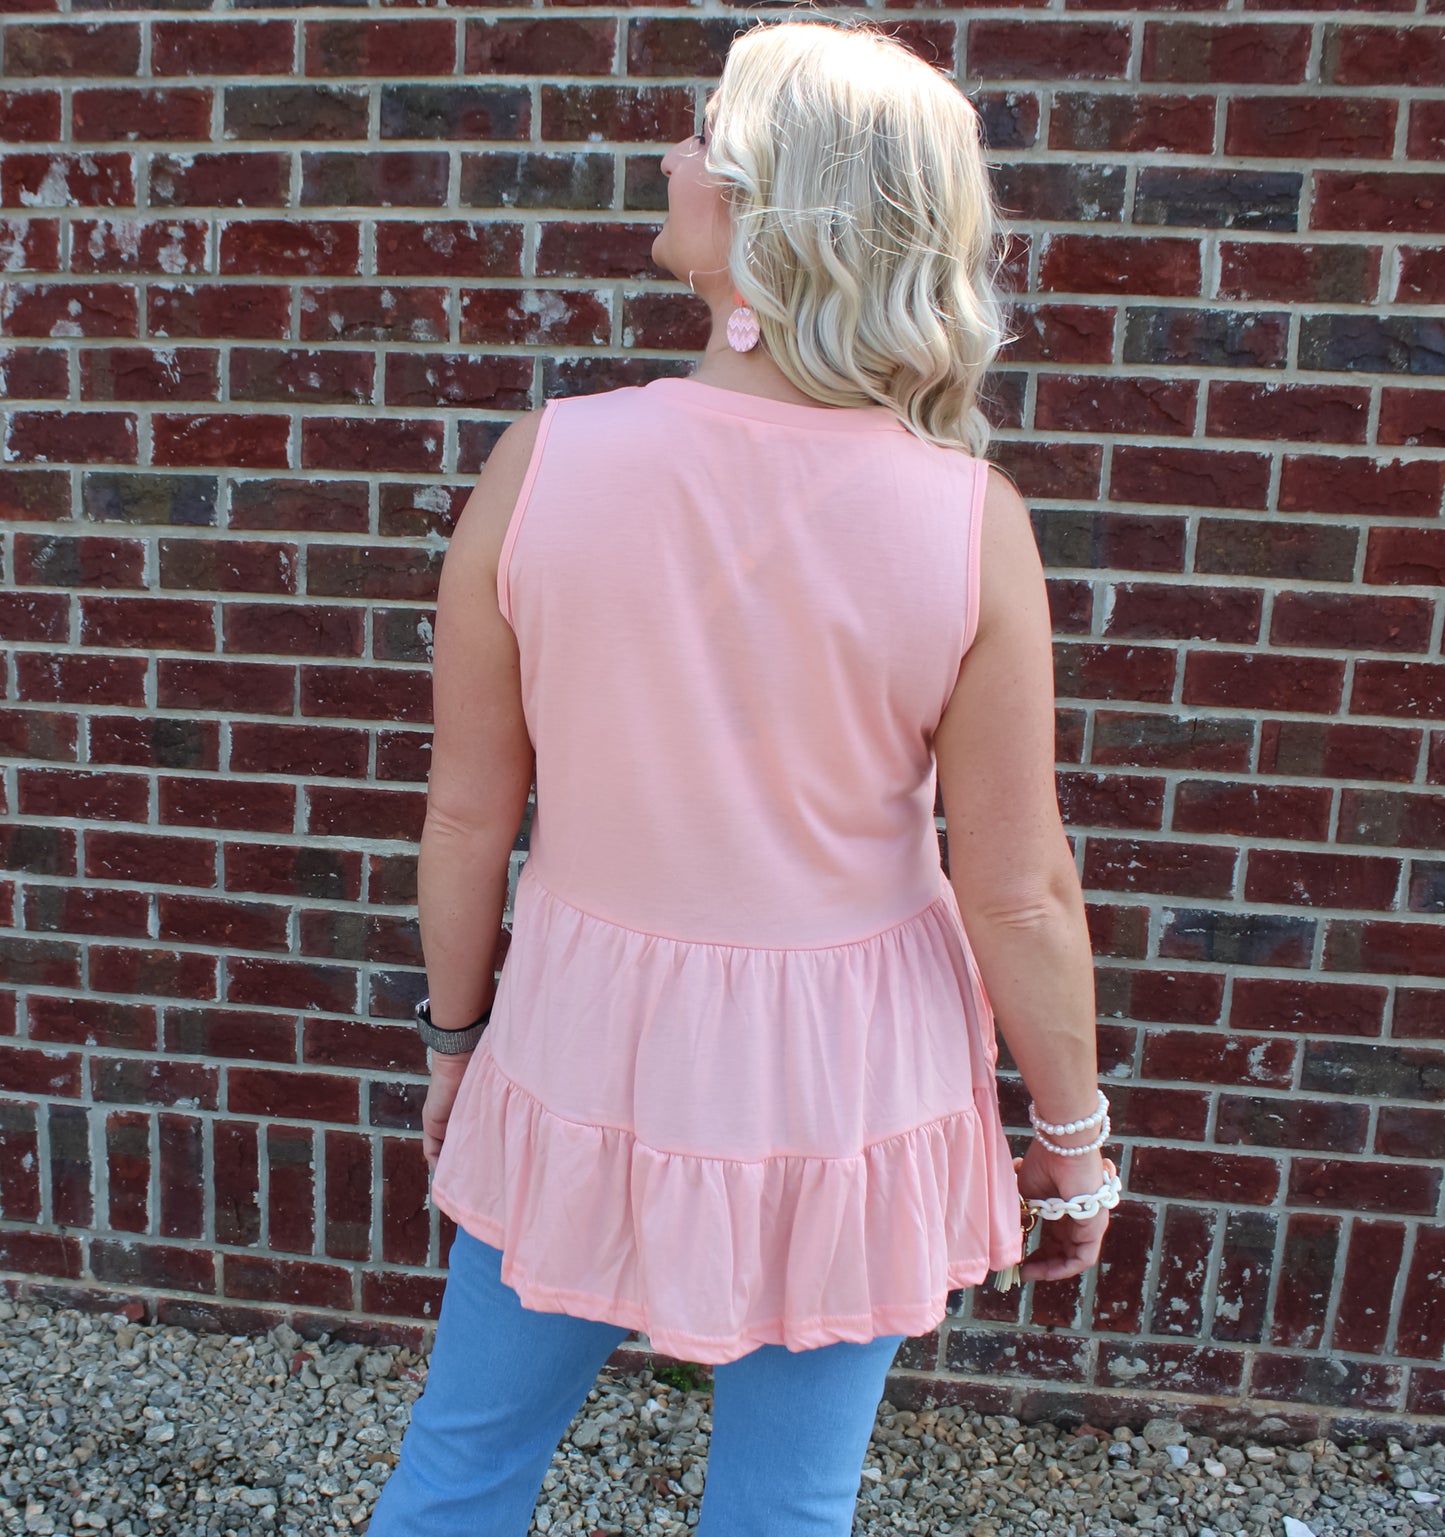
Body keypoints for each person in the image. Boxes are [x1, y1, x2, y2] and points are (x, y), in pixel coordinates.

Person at [365, 12, 1114, 1536]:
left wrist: (455, 1040)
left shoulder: (545, 461)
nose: (668, 152)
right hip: (850, 1072)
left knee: (462, 1466)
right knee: (786, 1507)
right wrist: (1072, 1139)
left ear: (778, 203)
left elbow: (465, 813)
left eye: (708, 132)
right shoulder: (965, 520)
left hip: (582, 1040)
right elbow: (1017, 886)